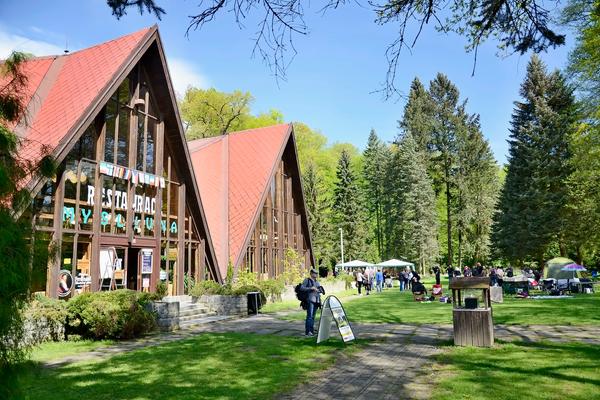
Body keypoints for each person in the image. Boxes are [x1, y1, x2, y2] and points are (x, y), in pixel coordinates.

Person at [300, 268, 324, 337]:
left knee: (313, 317)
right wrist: (310, 288)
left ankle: (311, 330)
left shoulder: (317, 282)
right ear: (311, 273)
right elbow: (301, 288)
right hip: (310, 300)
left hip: (316, 301)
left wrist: (320, 291)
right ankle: (308, 332)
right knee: (309, 316)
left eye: (316, 273)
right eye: (314, 273)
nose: (316, 274)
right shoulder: (307, 280)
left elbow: (318, 291)